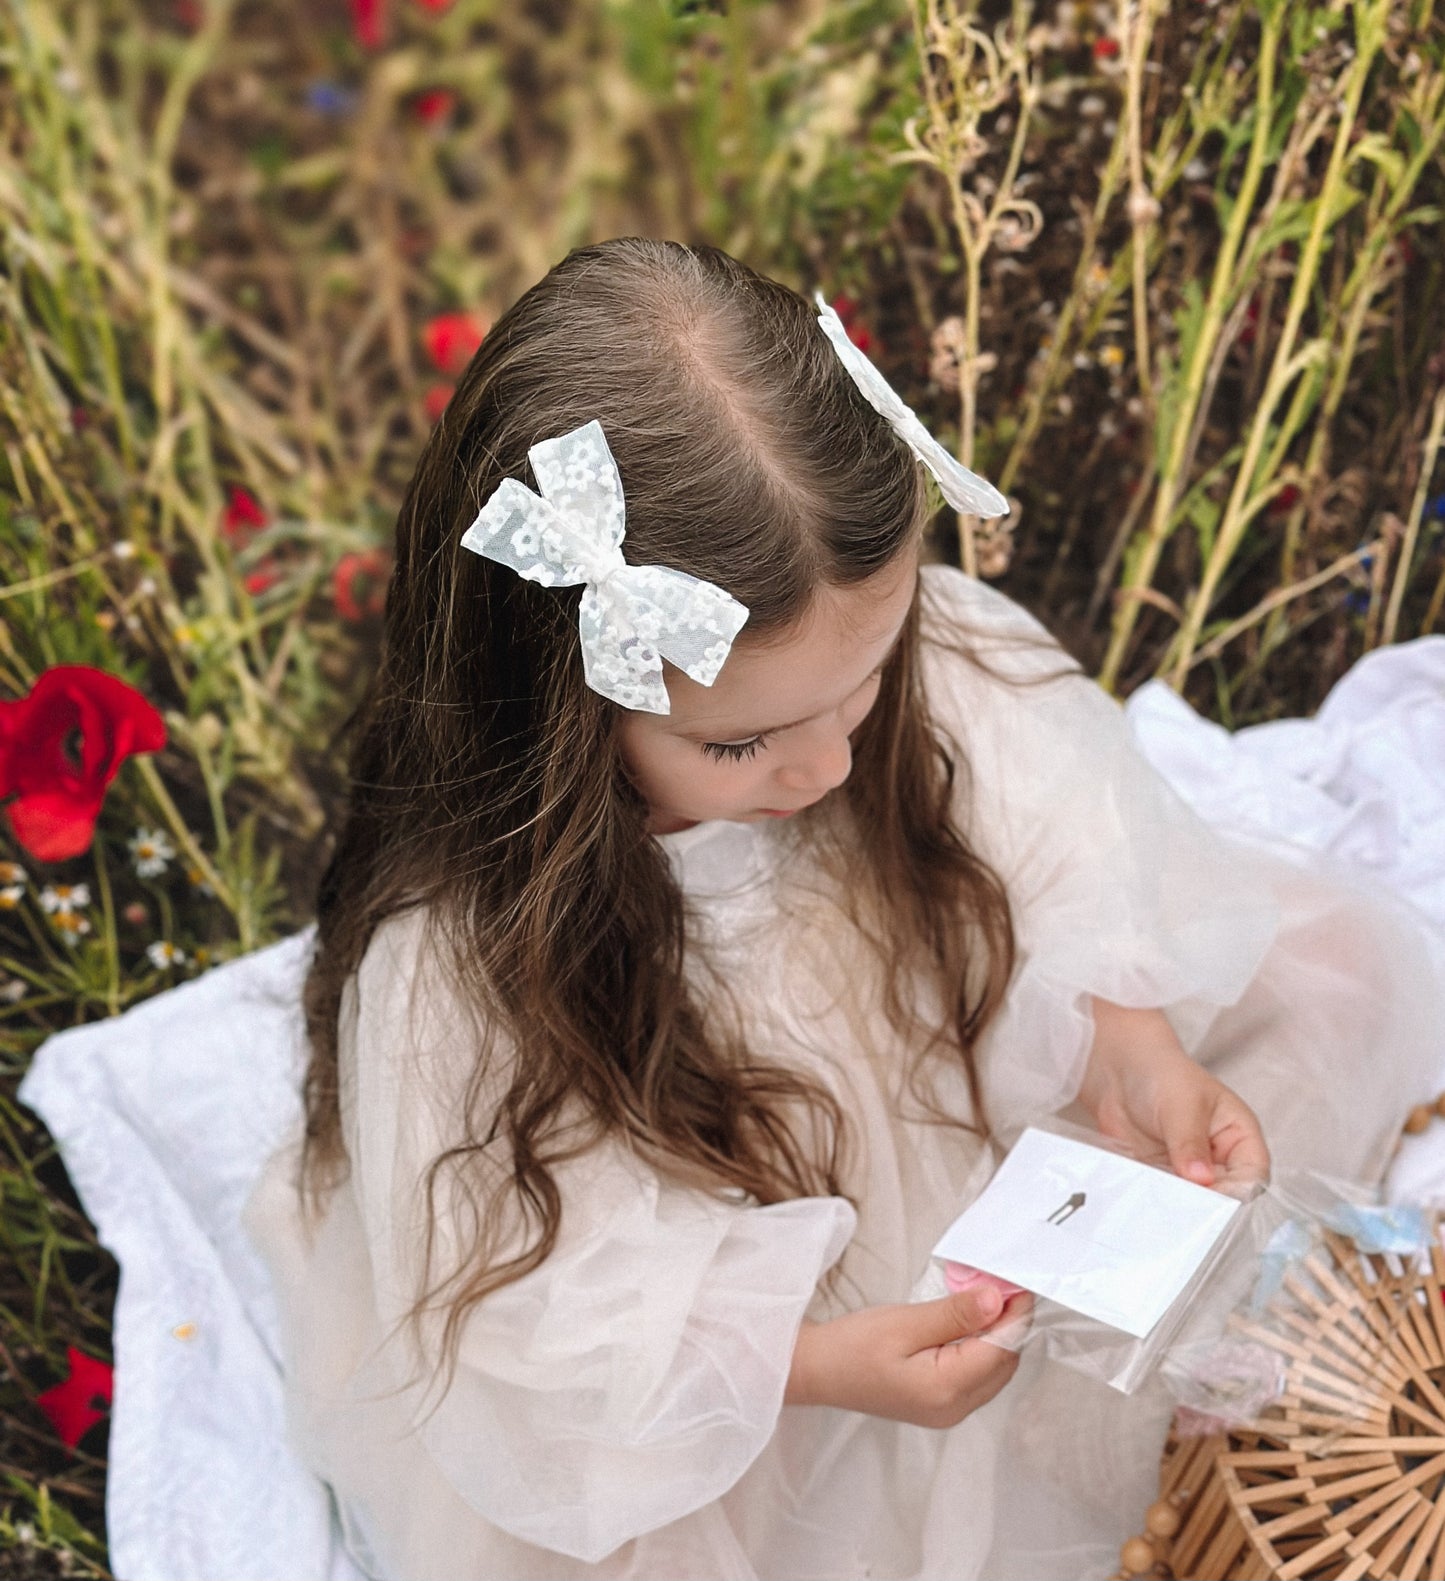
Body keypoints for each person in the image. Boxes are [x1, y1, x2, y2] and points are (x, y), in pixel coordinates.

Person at [241, 237, 1443, 1581]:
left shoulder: (907, 660)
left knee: (1339, 968)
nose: (821, 768)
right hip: (722, 1250)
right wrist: (804, 1367)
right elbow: (548, 1324)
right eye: (740, 747)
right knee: (665, 1532)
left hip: (941, 1065)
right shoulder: (469, 954)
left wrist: (1135, 1046)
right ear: (565, 705)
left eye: (862, 684)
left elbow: (1068, 849)